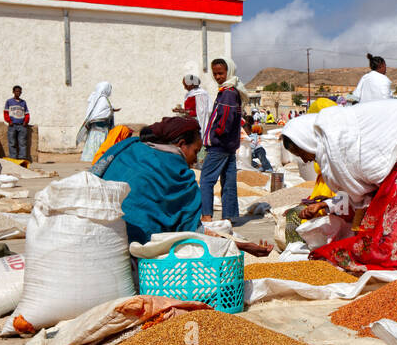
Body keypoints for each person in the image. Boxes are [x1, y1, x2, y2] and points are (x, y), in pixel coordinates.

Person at [282, 99, 397, 272]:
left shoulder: (338, 138)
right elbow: (358, 192)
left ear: (306, 141)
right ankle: (379, 255)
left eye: (301, 152)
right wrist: (327, 204)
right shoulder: (331, 143)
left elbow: (368, 189)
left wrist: (334, 204)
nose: (305, 160)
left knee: (392, 220)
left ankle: (384, 260)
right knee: (380, 220)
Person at [92, 117, 272, 255]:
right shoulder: (178, 173)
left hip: (95, 238)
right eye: (195, 151)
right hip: (133, 252)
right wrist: (240, 246)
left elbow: (93, 176)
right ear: (180, 145)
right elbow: (193, 232)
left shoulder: (126, 147)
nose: (195, 160)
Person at [199, 57, 246, 222]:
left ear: (229, 72)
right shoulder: (232, 91)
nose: (218, 77)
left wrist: (217, 134)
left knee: (206, 180)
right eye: (215, 74)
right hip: (229, 146)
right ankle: (229, 217)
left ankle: (206, 216)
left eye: (220, 73)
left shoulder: (227, 93)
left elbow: (225, 119)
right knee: (228, 182)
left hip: (220, 146)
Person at [77, 82, 117, 162]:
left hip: (95, 130)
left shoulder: (95, 99)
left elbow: (98, 112)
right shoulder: (103, 100)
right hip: (101, 131)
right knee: (100, 153)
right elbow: (101, 114)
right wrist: (110, 110)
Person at [3, 85, 29, 161]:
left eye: (19, 91)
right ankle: (13, 158)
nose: (18, 93)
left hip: (22, 125)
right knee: (12, 143)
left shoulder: (23, 102)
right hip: (12, 125)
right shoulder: (9, 102)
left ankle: (22, 158)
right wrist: (9, 121)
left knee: (22, 143)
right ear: (13, 92)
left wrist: (25, 122)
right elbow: (5, 113)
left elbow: (27, 113)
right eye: (16, 91)